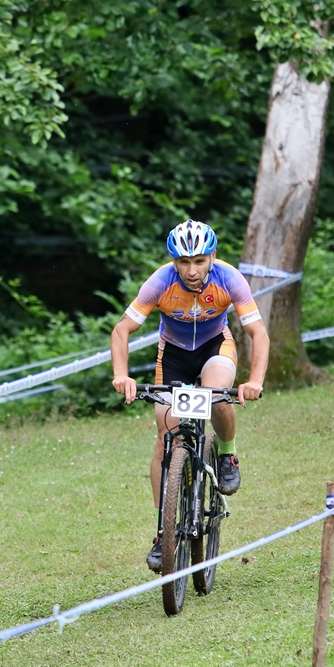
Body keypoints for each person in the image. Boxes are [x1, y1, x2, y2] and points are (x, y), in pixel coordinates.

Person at [110, 220, 269, 572]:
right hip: (175, 356)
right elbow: (122, 330)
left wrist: (254, 380)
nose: (192, 270)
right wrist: (121, 375)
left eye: (199, 261)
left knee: (216, 395)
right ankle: (163, 530)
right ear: (174, 262)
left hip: (216, 346)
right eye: (184, 262)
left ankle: (226, 454)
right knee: (165, 434)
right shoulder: (160, 282)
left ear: (211, 256)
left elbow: (258, 333)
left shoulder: (229, 279)